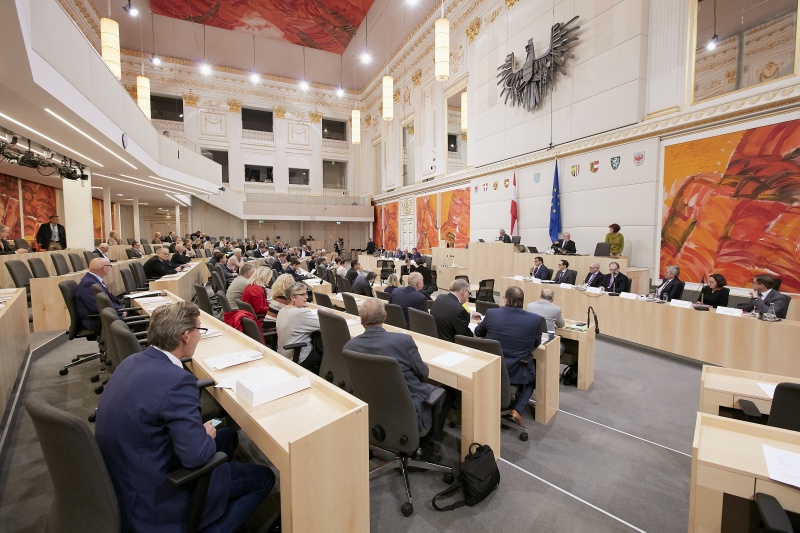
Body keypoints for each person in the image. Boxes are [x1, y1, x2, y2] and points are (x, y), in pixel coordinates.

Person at [95, 301, 275, 532]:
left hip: (127, 474)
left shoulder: (132, 360)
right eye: (199, 330)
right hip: (156, 500)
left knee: (228, 435)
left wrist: (202, 435)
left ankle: (215, 487)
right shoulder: (177, 381)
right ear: (185, 337)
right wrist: (205, 437)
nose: (200, 336)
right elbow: (196, 457)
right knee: (264, 477)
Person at [343, 298, 445, 458]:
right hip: (409, 405)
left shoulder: (350, 347)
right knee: (444, 393)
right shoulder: (403, 341)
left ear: (361, 320)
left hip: (373, 404)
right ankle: (425, 448)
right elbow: (423, 375)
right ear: (385, 316)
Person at [476, 286, 542, 426]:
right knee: (533, 379)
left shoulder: (492, 313)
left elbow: (478, 332)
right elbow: (536, 343)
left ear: (506, 300)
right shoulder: (535, 320)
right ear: (523, 301)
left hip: (490, 367)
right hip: (516, 371)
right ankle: (517, 410)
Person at [276, 282, 321, 372]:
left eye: (306, 293)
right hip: (299, 358)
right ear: (292, 297)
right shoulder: (299, 313)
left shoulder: (283, 310)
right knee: (328, 354)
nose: (307, 297)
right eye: (302, 294)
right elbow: (324, 324)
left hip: (283, 355)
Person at [74, 257, 122, 331]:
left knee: (136, 314)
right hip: (97, 320)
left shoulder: (92, 280)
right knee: (139, 318)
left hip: (105, 315)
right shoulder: (89, 284)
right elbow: (97, 307)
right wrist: (120, 312)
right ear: (103, 268)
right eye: (109, 266)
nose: (110, 268)